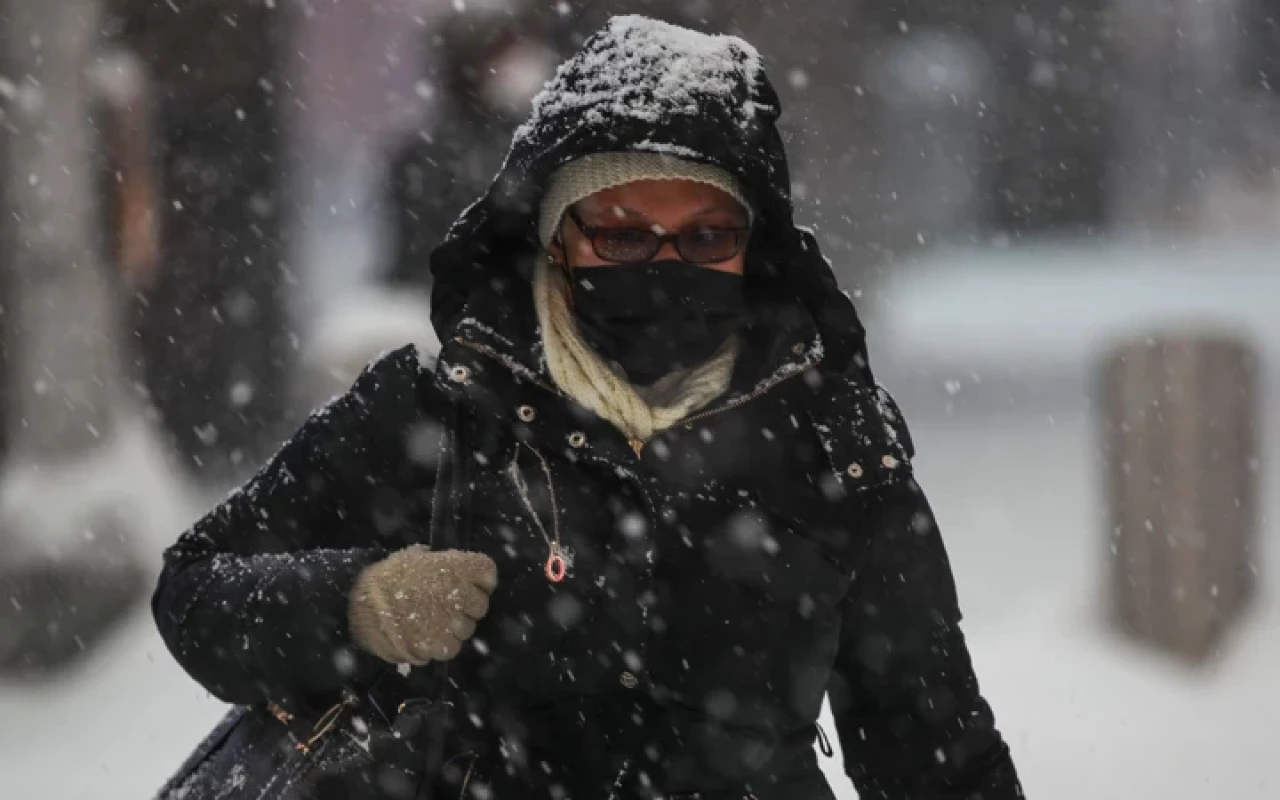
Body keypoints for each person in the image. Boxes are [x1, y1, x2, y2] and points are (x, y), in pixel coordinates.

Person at [153, 16, 1022, 800]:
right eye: (622, 232)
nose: (664, 261)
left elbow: (932, 746)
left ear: (754, 247)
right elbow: (195, 592)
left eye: (708, 235)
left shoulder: (832, 444)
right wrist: (357, 603)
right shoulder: (436, 415)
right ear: (555, 235)